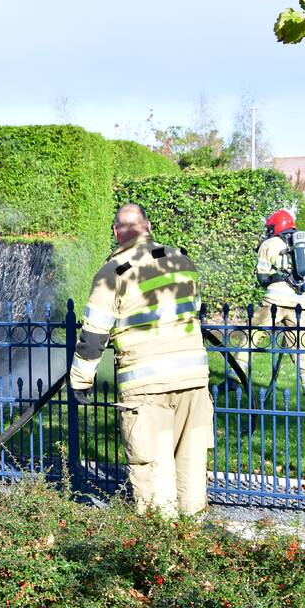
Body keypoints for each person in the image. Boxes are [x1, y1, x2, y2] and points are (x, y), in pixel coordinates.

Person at [69, 203, 212, 518]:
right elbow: (194, 310)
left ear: (117, 232)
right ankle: (193, 545)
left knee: (152, 470)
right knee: (191, 462)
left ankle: (159, 551)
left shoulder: (114, 271)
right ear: (147, 226)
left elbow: (94, 335)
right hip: (194, 382)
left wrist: (80, 380)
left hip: (147, 389)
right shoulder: (181, 259)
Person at [230, 209, 305, 394]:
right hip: (301, 303)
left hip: (275, 302)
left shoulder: (269, 244)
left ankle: (234, 379)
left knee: (250, 336)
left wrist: (273, 276)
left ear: (276, 226)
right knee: (299, 347)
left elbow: (262, 278)